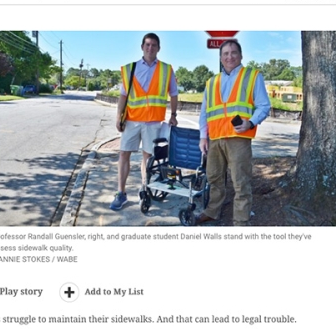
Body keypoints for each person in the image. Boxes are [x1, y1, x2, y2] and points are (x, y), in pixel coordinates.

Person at [197, 40, 271, 226]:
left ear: (241, 55)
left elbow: (264, 106)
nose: (229, 57)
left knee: (240, 182)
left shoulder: (252, 76)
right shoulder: (211, 82)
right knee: (214, 178)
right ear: (221, 58)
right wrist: (203, 137)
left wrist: (251, 122)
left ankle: (241, 221)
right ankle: (212, 212)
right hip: (215, 139)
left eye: (233, 52)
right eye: (225, 54)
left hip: (238, 138)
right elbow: (205, 112)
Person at [110, 33, 179, 210]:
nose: (150, 48)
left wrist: (173, 115)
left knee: (147, 158)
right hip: (132, 120)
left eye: (154, 45)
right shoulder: (130, 69)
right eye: (147, 45)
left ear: (159, 48)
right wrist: (119, 116)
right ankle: (121, 193)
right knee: (124, 154)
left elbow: (173, 93)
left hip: (153, 122)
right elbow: (123, 96)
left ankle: (144, 190)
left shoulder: (166, 69)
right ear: (142, 47)